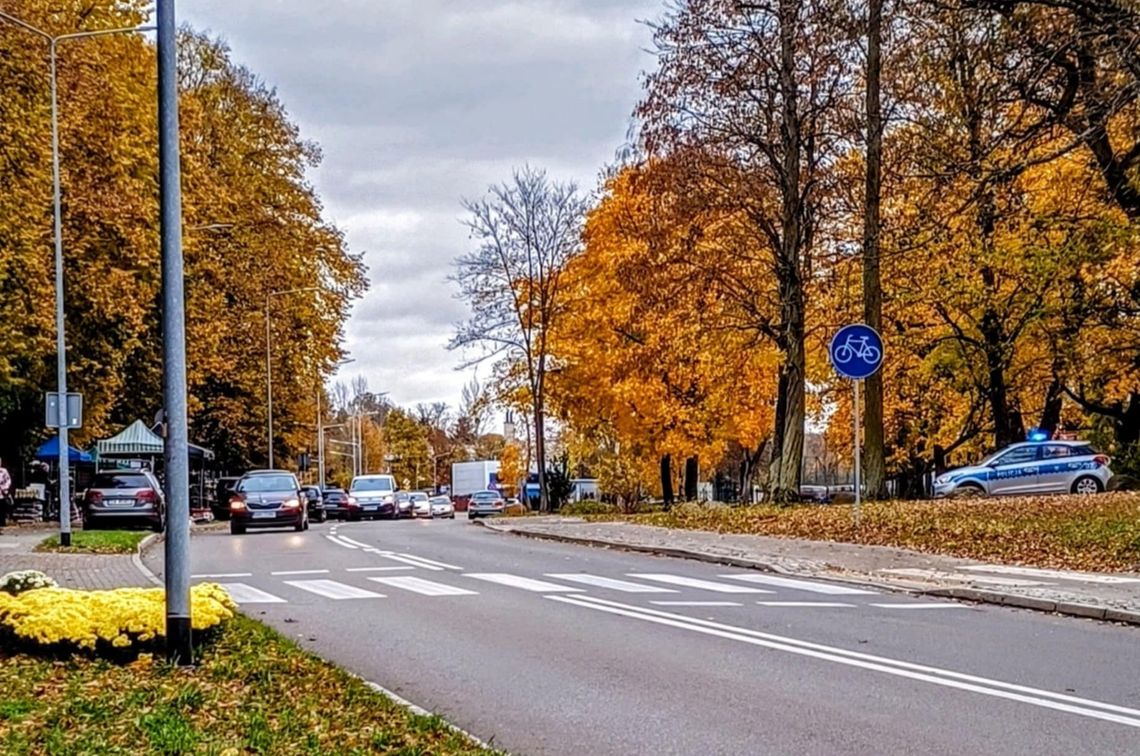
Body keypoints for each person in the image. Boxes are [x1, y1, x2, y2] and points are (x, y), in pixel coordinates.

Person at [0, 458, 11, 526]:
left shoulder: (4, 471)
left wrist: (5, 488)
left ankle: (2, 522)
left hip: (2, 492)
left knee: (2, 508)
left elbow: (8, 480)